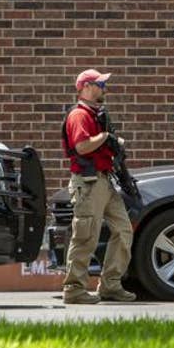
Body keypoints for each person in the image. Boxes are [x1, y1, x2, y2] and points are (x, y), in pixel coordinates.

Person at [59, 69, 136, 305]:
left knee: (123, 230)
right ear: (86, 87)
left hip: (104, 180)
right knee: (86, 236)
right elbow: (82, 147)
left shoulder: (95, 115)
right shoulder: (79, 115)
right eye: (100, 84)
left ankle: (111, 285)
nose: (104, 88)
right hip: (88, 182)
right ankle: (74, 289)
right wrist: (105, 137)